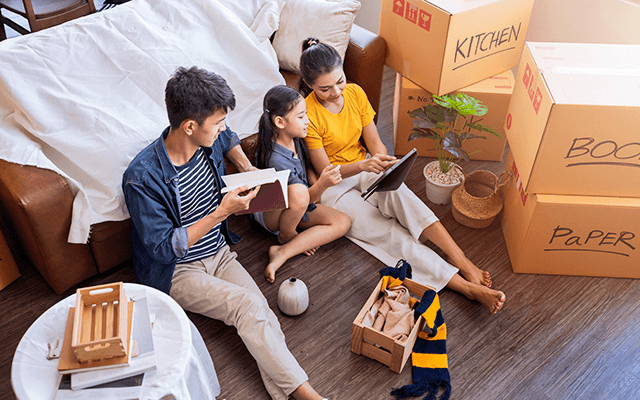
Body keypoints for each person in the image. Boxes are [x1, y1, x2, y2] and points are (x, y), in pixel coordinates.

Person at [122, 66, 328, 400]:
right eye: (216, 122)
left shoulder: (208, 138)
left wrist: (246, 167)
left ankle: (283, 393)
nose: (223, 128)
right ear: (190, 126)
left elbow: (229, 135)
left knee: (260, 312)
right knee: (249, 306)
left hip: (219, 253)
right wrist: (222, 212)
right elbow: (162, 248)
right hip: (177, 271)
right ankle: (310, 396)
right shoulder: (142, 178)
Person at [299, 38, 506, 314]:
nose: (336, 92)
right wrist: (363, 166)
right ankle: (463, 285)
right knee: (389, 235)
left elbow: (375, 144)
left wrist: (382, 161)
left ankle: (462, 260)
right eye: (325, 88)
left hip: (366, 165)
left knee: (405, 200)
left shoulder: (356, 94)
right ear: (309, 85)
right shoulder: (308, 114)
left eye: (340, 81)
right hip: (336, 187)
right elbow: (328, 173)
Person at [253, 85, 351, 283]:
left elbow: (305, 170)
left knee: (343, 222)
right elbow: (302, 198)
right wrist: (322, 184)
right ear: (280, 122)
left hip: (295, 205)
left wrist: (316, 183)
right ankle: (287, 236)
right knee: (299, 193)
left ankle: (282, 251)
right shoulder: (277, 160)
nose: (307, 121)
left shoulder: (294, 138)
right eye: (301, 117)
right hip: (271, 215)